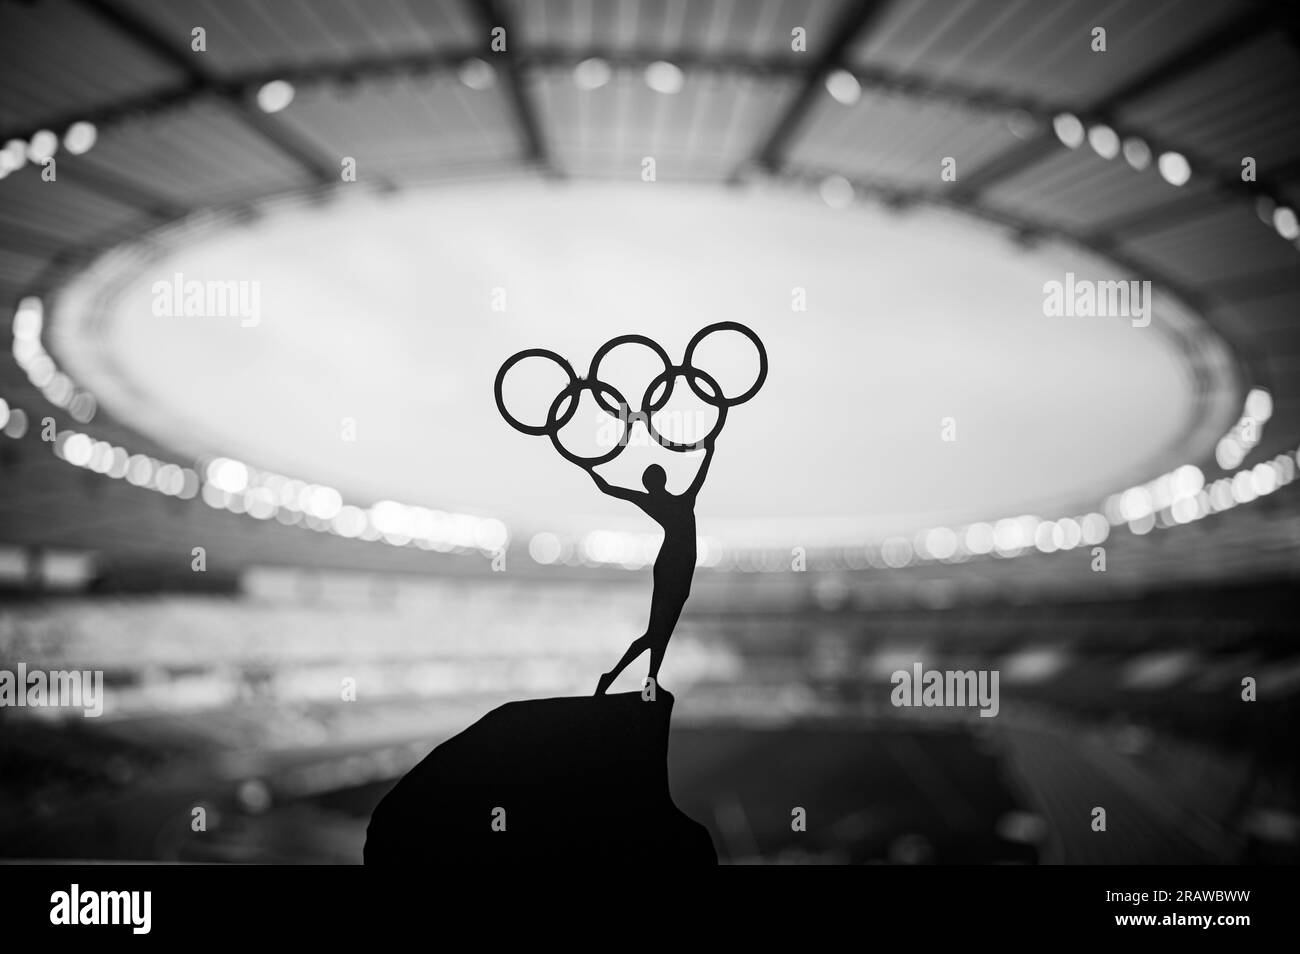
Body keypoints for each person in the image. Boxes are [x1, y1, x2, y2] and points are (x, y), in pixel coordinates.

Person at [583, 443, 714, 695]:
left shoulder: (662, 501)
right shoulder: (682, 501)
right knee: (656, 632)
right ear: (661, 481)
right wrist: (709, 451)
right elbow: (702, 473)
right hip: (674, 568)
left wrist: (589, 468)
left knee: (660, 632)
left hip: (679, 568)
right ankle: (620, 679)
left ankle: (649, 683)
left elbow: (609, 488)